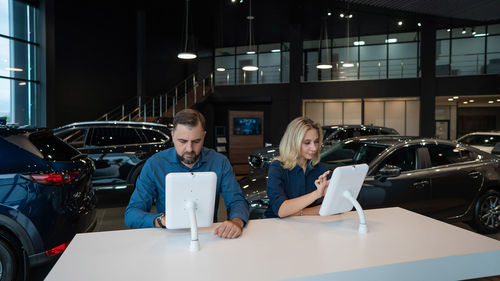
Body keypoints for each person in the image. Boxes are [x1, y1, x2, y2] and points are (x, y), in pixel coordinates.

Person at [125, 109, 249, 239]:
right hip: (168, 235)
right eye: (182, 141)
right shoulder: (154, 165)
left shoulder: (220, 162)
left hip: (208, 235)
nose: (189, 149)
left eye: (196, 141)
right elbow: (131, 214)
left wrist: (236, 221)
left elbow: (237, 201)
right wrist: (161, 220)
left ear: (204, 136)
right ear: (172, 136)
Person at [265, 117, 331, 218]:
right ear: (293, 142)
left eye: (316, 142)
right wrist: (317, 194)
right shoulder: (277, 167)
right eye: (307, 142)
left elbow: (333, 207)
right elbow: (281, 210)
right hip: (278, 227)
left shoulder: (321, 169)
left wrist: (298, 212)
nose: (314, 148)